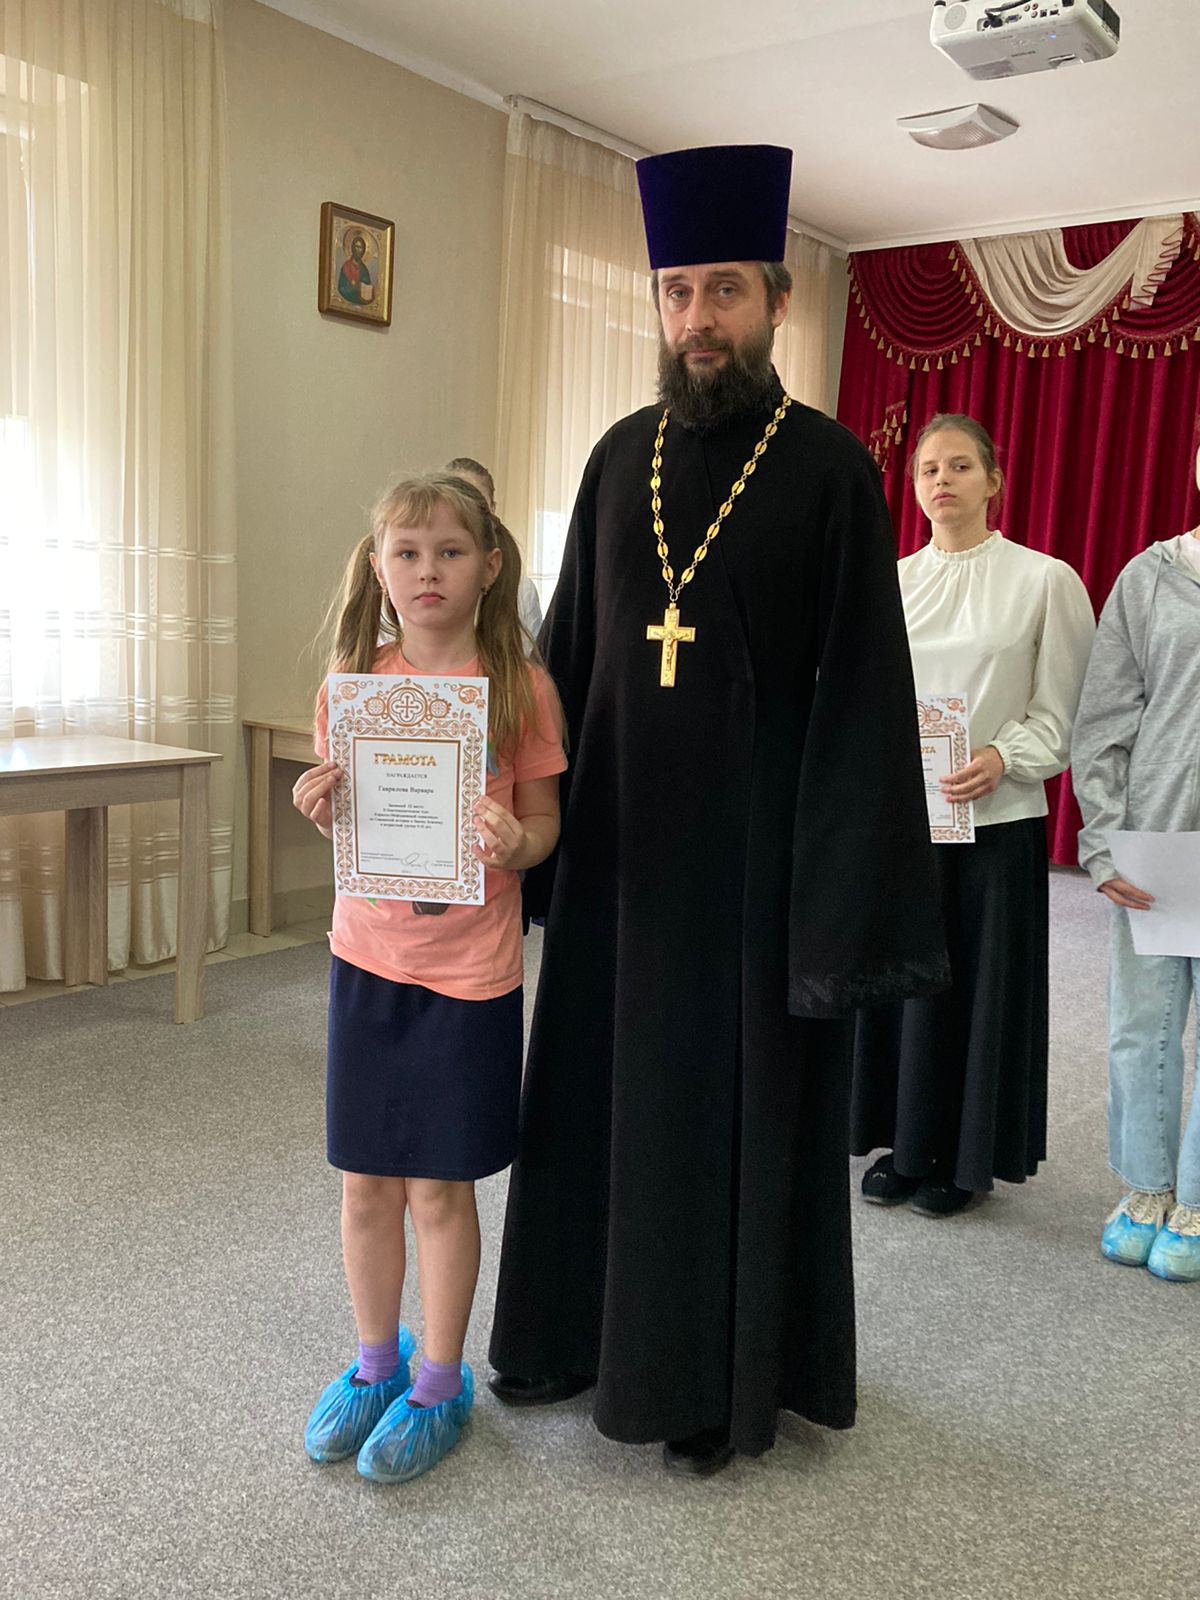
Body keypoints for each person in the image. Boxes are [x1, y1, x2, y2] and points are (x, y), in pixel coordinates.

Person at [485, 143, 948, 1478]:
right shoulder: (615, 456)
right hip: (619, 860)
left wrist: (838, 898)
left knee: (718, 1120)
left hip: (754, 875)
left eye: (725, 291)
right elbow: (564, 664)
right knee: (598, 1097)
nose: (698, 319)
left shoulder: (831, 471)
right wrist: (526, 830)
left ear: (777, 303)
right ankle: (569, 1333)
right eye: (677, 292)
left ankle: (709, 1382)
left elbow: (864, 696)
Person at [292, 473, 566, 1483]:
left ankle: (440, 1382)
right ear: (379, 569)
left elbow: (544, 825)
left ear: (489, 566)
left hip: (469, 976)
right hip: (367, 961)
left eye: (450, 551)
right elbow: (352, 818)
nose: (428, 571)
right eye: (406, 553)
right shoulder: (352, 686)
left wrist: (518, 842)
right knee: (366, 1181)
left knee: (441, 1189)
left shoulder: (520, 689)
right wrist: (320, 805)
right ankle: (377, 1362)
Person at [851, 415, 1095, 1217]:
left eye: (960, 466)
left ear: (994, 480)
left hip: (996, 820)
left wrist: (1002, 755)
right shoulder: (891, 582)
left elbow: (1064, 712)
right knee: (904, 979)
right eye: (928, 469)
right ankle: (901, 1142)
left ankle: (961, 1158)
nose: (942, 480)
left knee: (974, 990)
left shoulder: (1045, 581)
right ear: (914, 487)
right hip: (904, 819)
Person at [1071, 434, 1200, 1283]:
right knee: (1140, 1029)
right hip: (1158, 844)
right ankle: (1147, 1188)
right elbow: (1105, 719)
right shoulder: (1150, 578)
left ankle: (1197, 1202)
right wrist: (1103, 835)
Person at [445, 457, 544, 649]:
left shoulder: (522, 591)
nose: (464, 515)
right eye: (453, 502)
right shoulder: (413, 584)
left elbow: (527, 657)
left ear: (492, 509)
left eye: (476, 504)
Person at [338, 230, 373, 306]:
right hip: (347, 299)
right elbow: (341, 288)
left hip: (361, 302)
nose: (359, 250)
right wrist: (353, 288)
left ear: (363, 250)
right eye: (357, 246)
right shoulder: (346, 266)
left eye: (361, 248)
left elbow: (367, 289)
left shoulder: (364, 270)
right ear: (352, 248)